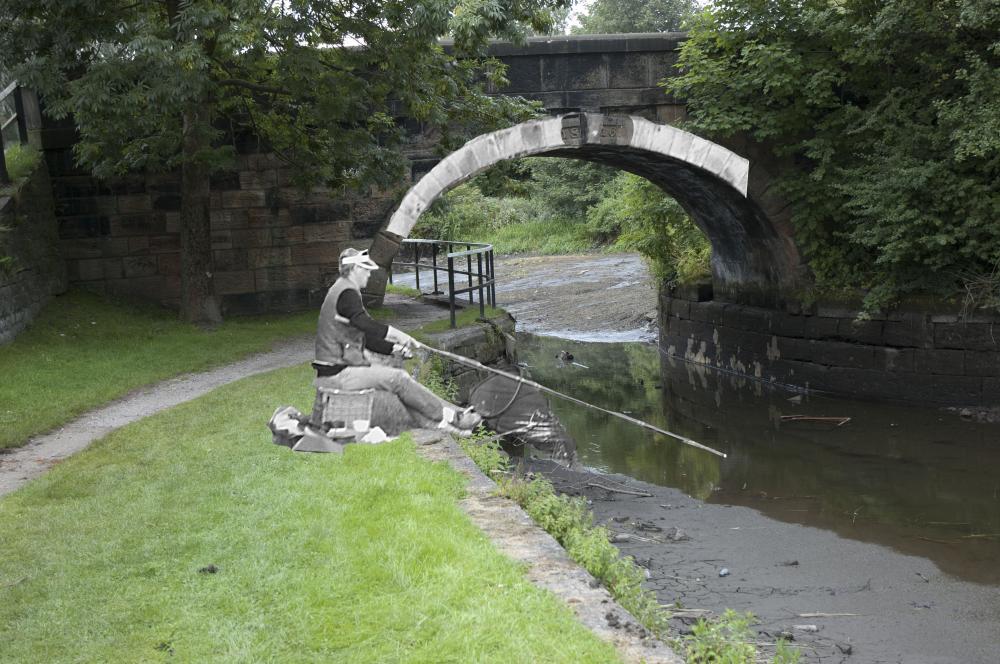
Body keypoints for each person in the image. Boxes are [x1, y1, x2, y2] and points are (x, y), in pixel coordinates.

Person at [313, 247, 482, 435]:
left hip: (340, 369)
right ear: (355, 269)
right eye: (366, 270)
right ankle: (452, 417)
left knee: (399, 380)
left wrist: (393, 348)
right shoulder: (346, 292)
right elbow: (365, 323)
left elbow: (365, 337)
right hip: (338, 374)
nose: (369, 274)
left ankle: (446, 426)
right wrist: (398, 335)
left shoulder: (343, 290)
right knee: (399, 379)